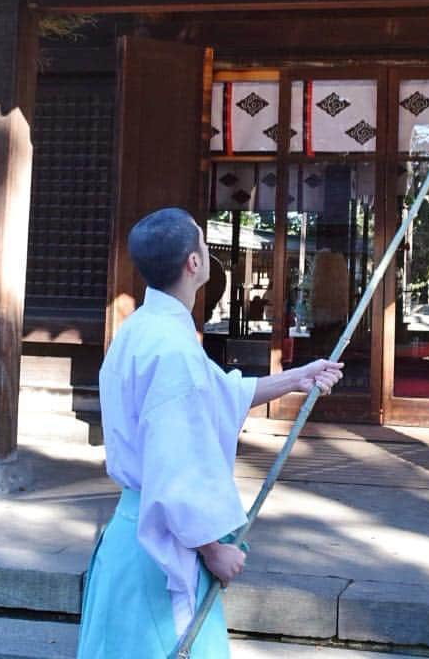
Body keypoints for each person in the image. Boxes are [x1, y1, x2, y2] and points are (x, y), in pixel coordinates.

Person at [77, 207, 343, 658]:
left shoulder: (142, 330)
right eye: (201, 239)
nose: (204, 245)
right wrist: (211, 550)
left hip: (131, 537)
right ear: (194, 263)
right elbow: (174, 465)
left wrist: (297, 378)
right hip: (161, 547)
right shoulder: (172, 349)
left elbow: (218, 393)